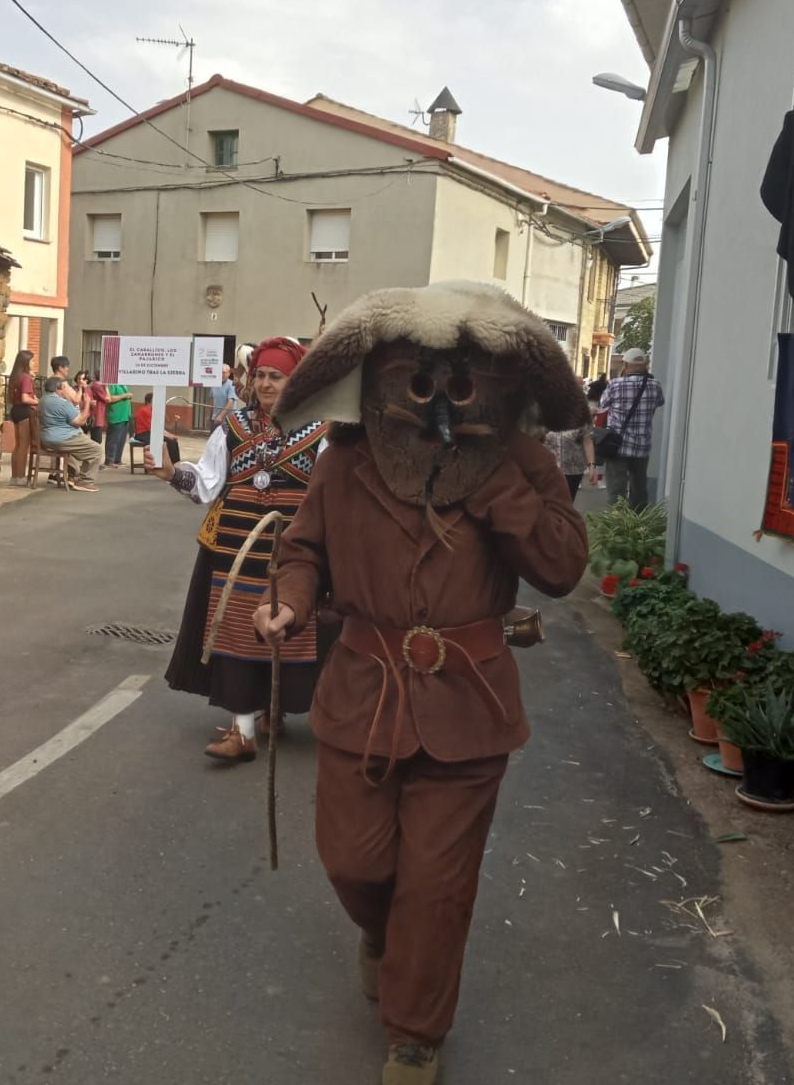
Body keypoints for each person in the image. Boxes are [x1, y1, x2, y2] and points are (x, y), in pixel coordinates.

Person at [253, 280, 588, 1085]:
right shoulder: (345, 465)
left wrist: (493, 480)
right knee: (355, 864)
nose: (441, 391)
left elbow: (562, 568)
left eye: (463, 375)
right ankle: (380, 936)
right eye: (417, 373)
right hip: (362, 693)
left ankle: (415, 1034)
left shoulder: (525, 462)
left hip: (468, 704)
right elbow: (301, 550)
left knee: (438, 886)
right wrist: (289, 603)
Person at [150, 338, 327, 763]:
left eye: (276, 377)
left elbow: (330, 494)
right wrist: (173, 472)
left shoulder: (322, 431)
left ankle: (274, 708)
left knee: (287, 631)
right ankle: (242, 730)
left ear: (295, 381)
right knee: (236, 633)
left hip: (293, 554)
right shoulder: (232, 427)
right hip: (235, 549)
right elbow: (209, 482)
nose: (266, 384)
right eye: (261, 375)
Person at [601, 348, 665, 508]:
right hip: (642, 447)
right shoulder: (655, 385)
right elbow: (659, 403)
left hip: (617, 446)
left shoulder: (615, 384)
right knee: (639, 489)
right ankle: (637, 526)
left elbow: (603, 404)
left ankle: (616, 527)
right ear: (645, 365)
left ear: (626, 364)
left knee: (616, 492)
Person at [39, 375, 102, 492]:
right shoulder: (63, 403)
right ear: (61, 388)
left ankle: (71, 476)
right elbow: (80, 421)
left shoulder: (43, 400)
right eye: (66, 387)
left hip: (47, 437)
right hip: (64, 438)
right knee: (96, 450)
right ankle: (85, 481)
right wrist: (87, 403)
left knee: (74, 450)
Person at [6, 349, 39, 485]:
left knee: (18, 445)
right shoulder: (25, 378)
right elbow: (26, 398)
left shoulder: (16, 376)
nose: (34, 362)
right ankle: (20, 476)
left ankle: (14, 476)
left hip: (16, 410)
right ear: (26, 362)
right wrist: (37, 401)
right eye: (32, 360)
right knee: (23, 446)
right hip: (25, 411)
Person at [544, 420, 597, 500]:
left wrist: (592, 466)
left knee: (567, 503)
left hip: (573, 471)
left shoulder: (581, 415)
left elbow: (588, 442)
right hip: (547, 469)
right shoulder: (543, 413)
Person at [131, 396, 180, 465]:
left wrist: (170, 435)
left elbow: (159, 427)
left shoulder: (152, 411)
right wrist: (168, 436)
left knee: (173, 440)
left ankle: (173, 463)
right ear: (149, 402)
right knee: (168, 441)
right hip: (143, 434)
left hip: (151, 432)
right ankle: (166, 463)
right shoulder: (145, 410)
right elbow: (153, 428)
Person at [103, 381, 134, 468]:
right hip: (116, 416)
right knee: (113, 439)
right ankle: (109, 460)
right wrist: (124, 396)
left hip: (124, 416)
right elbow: (110, 398)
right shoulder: (112, 384)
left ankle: (117, 459)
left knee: (121, 440)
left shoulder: (123, 384)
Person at [76, 370, 110, 445]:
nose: (80, 381)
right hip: (78, 418)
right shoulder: (74, 389)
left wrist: (91, 403)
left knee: (96, 441)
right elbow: (76, 402)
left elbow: (92, 401)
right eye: (79, 379)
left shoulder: (89, 389)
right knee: (80, 441)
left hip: (89, 418)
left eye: (83, 379)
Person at [208, 363, 238, 431]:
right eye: (220, 372)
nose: (222, 375)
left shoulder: (231, 385)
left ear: (229, 373)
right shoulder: (214, 384)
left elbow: (230, 403)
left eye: (224, 373)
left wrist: (221, 416)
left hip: (228, 421)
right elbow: (212, 401)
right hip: (215, 419)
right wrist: (209, 416)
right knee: (214, 440)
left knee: (226, 441)